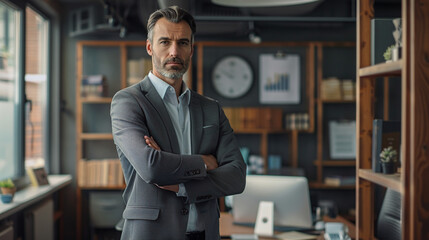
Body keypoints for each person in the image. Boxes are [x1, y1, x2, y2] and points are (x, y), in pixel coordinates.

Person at [110, 6, 246, 240]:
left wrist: (183, 185)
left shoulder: (211, 108)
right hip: (151, 233)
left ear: (191, 50)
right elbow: (151, 167)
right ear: (150, 47)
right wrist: (204, 162)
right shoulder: (128, 101)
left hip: (205, 233)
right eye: (165, 42)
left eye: (183, 43)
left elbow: (236, 176)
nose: (174, 51)